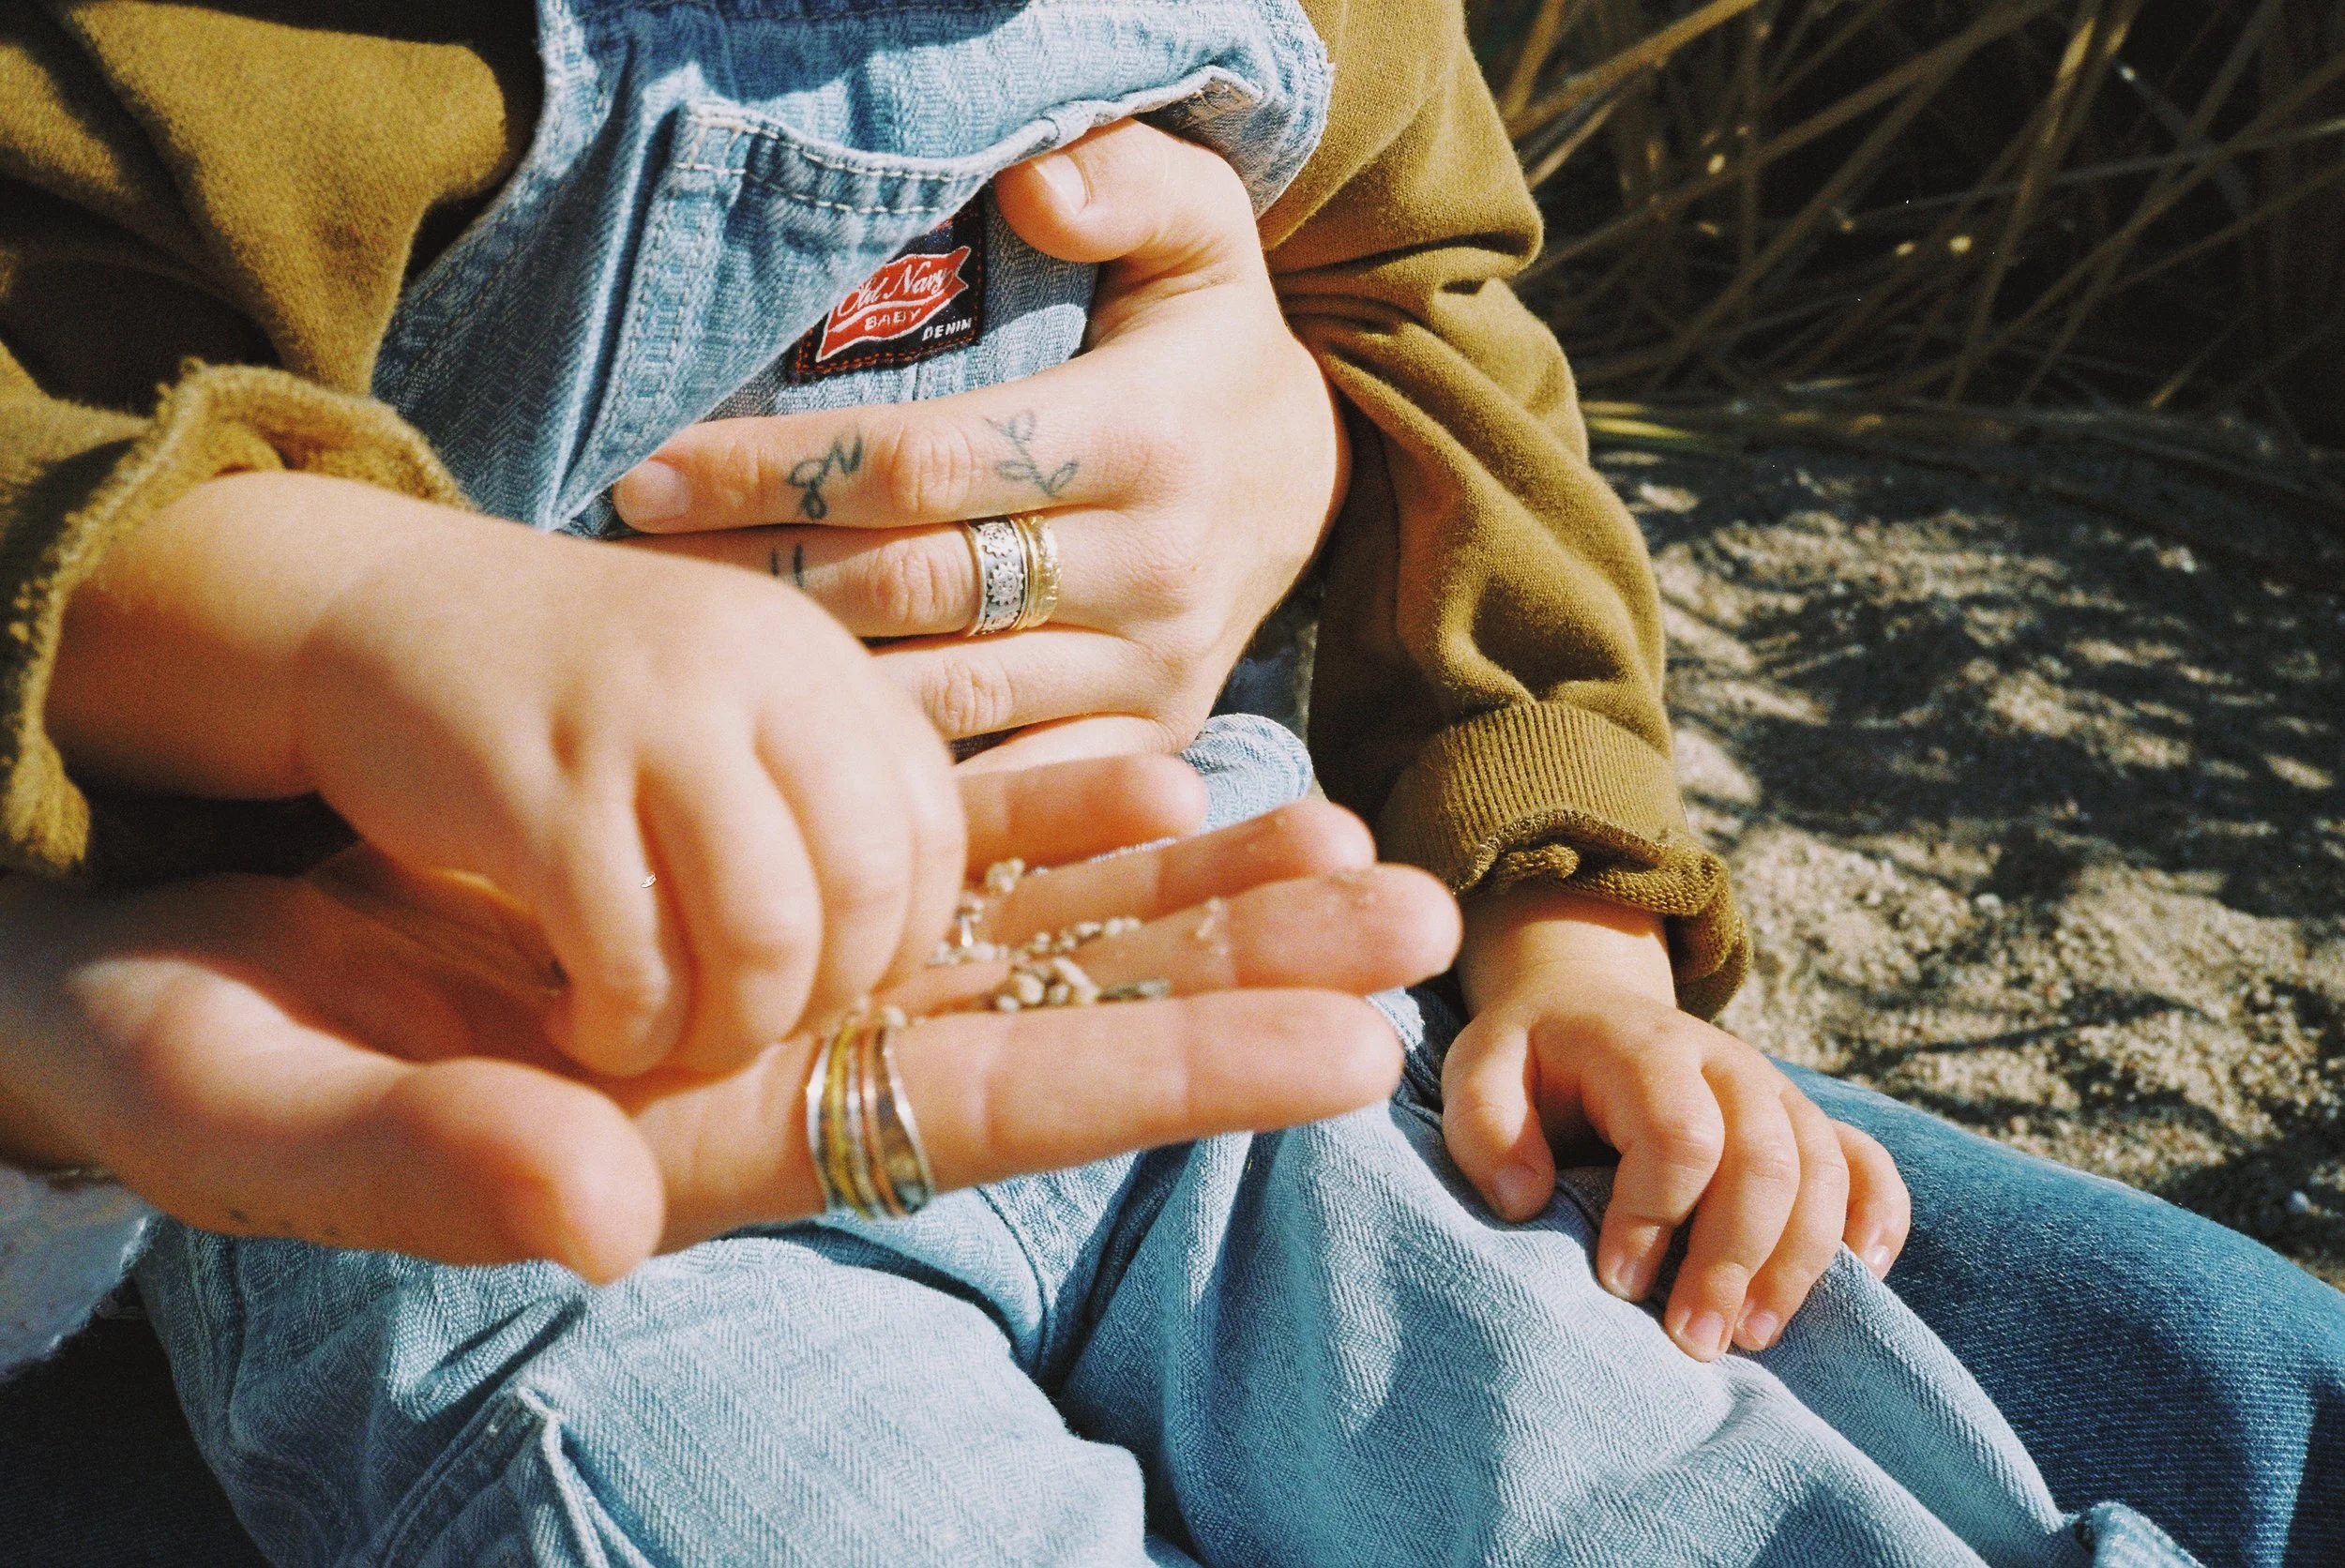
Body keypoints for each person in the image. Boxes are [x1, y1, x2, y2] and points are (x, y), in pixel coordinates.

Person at [0, 0, 2332, 1563]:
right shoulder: (268, 56)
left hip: (1195, 946)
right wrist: (314, 600)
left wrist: (1568, 924)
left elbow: (1428, 316)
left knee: (1662, 1463)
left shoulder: (1320, 31)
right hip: (544, 1117)